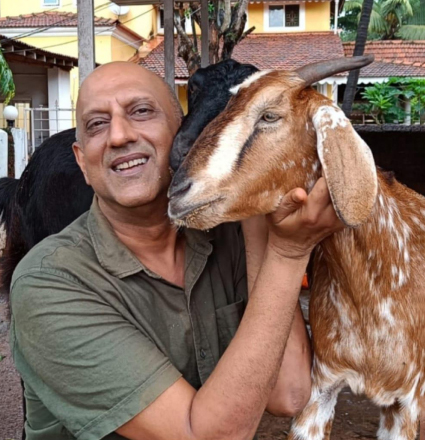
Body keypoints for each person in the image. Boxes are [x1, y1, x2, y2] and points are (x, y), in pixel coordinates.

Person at [9, 62, 343, 440]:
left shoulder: (228, 241)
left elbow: (290, 393)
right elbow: (207, 436)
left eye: (141, 111)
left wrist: (253, 208)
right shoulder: (49, 284)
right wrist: (287, 254)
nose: (118, 135)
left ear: (184, 133)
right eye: (97, 124)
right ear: (83, 162)